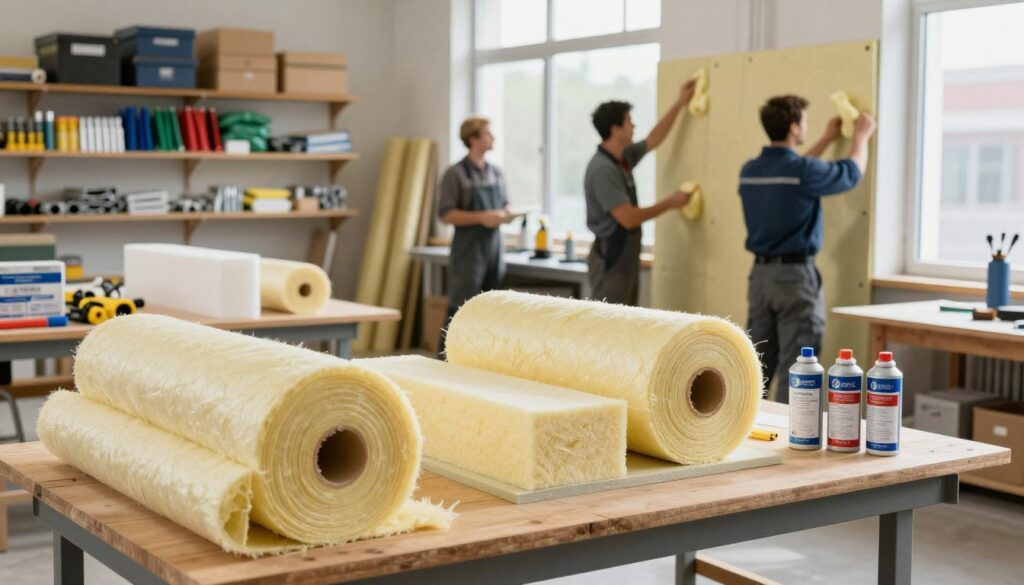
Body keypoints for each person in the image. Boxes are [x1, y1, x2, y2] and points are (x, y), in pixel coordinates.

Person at [739, 95, 876, 402]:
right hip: (795, 280)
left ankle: (746, 436)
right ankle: (793, 441)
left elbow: (795, 172)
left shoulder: (750, 171)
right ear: (793, 128)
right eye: (804, 124)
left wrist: (827, 138)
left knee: (757, 366)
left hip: (759, 279)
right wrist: (861, 137)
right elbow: (851, 173)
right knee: (799, 368)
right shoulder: (802, 172)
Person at [584, 80, 698, 305]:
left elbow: (653, 139)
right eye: (629, 122)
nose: (633, 127)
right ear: (615, 129)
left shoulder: (622, 158)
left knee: (628, 317)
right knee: (611, 322)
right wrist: (670, 203)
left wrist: (680, 103)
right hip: (611, 256)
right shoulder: (602, 169)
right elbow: (628, 218)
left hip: (625, 254)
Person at [437, 117, 515, 353]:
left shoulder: (496, 173)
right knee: (461, 307)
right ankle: (446, 358)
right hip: (468, 250)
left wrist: (507, 214)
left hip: (493, 248)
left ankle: (481, 358)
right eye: (488, 134)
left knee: (492, 308)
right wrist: (481, 217)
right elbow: (446, 214)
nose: (493, 138)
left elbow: (505, 204)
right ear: (473, 139)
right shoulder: (455, 174)